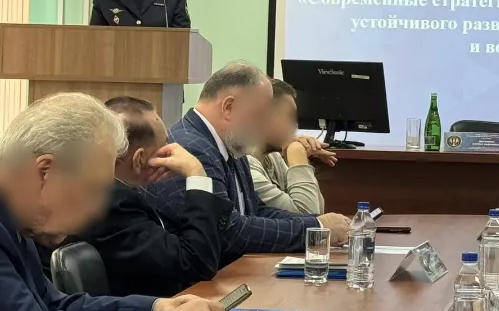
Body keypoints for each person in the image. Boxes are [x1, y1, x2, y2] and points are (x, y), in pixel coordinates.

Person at [0, 93, 224, 311]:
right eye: (91, 190)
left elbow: (56, 305)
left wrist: (156, 308)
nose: (95, 211)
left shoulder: (15, 218)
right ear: (44, 172)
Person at [146, 62, 349, 261]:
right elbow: (227, 232)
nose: (263, 126)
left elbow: (255, 211)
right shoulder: (191, 148)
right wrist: (315, 228)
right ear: (228, 107)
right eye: (259, 115)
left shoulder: (230, 145)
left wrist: (318, 222)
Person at [72, 97, 233, 297]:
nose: (176, 152)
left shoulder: (124, 193)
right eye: (165, 145)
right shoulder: (114, 205)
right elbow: (196, 263)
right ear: (139, 159)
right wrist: (197, 175)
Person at [250, 79, 336, 215]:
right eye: (289, 117)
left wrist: (302, 158)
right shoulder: (246, 167)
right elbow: (308, 217)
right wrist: (297, 153)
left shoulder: (274, 158)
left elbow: (318, 209)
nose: (294, 127)